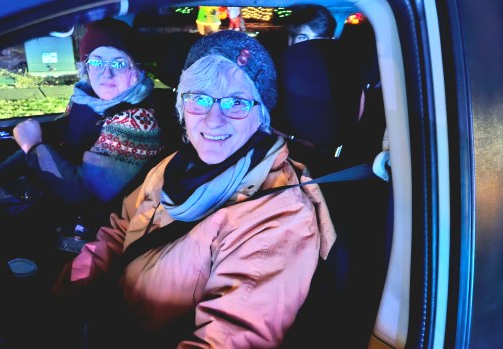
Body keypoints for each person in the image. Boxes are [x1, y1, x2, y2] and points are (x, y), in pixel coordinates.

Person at [53, 30, 336, 348]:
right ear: (181, 107)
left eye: (236, 102)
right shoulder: (178, 163)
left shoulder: (279, 217)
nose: (213, 120)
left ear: (261, 115)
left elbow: (227, 338)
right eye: (199, 98)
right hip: (108, 319)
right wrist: (68, 295)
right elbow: (118, 230)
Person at [0, 18, 163, 244]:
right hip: (60, 205)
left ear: (137, 68)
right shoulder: (87, 99)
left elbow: (82, 193)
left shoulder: (137, 121)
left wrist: (33, 148)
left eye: (119, 64)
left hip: (96, 231)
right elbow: (55, 140)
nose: (106, 74)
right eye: (97, 62)